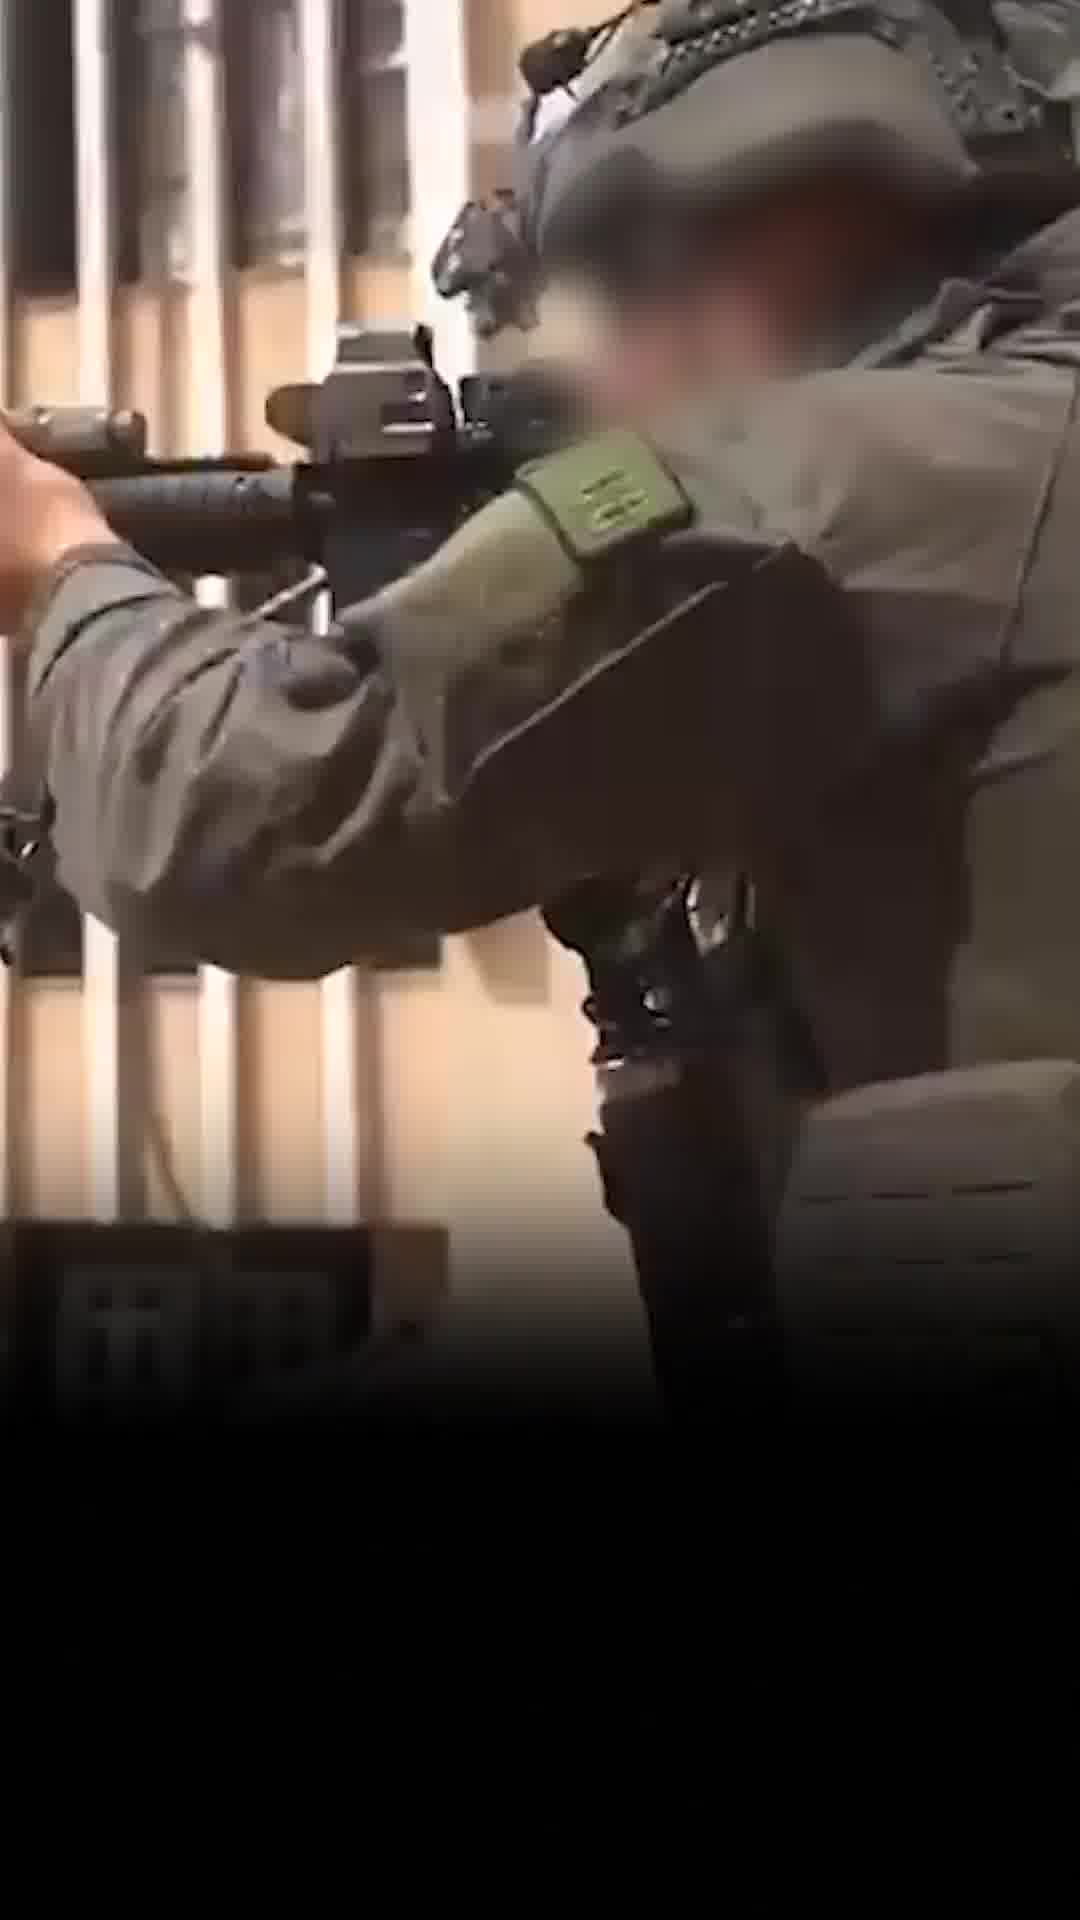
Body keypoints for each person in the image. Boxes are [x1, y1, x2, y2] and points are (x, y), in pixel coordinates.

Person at [6, 0, 1080, 1409]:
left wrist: (57, 565)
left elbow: (236, 818)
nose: (605, 361)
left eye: (631, 272)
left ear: (805, 198)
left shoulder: (828, 484)